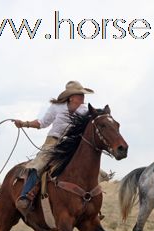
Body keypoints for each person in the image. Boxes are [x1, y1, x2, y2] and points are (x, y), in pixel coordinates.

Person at [13, 80, 94, 210]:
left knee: (88, 165)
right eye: (80, 94)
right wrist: (24, 123)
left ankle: (92, 201)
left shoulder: (84, 110)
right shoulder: (56, 107)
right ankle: (25, 196)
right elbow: (42, 123)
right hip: (53, 141)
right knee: (38, 164)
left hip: (73, 143)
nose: (83, 97)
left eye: (83, 94)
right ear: (71, 97)